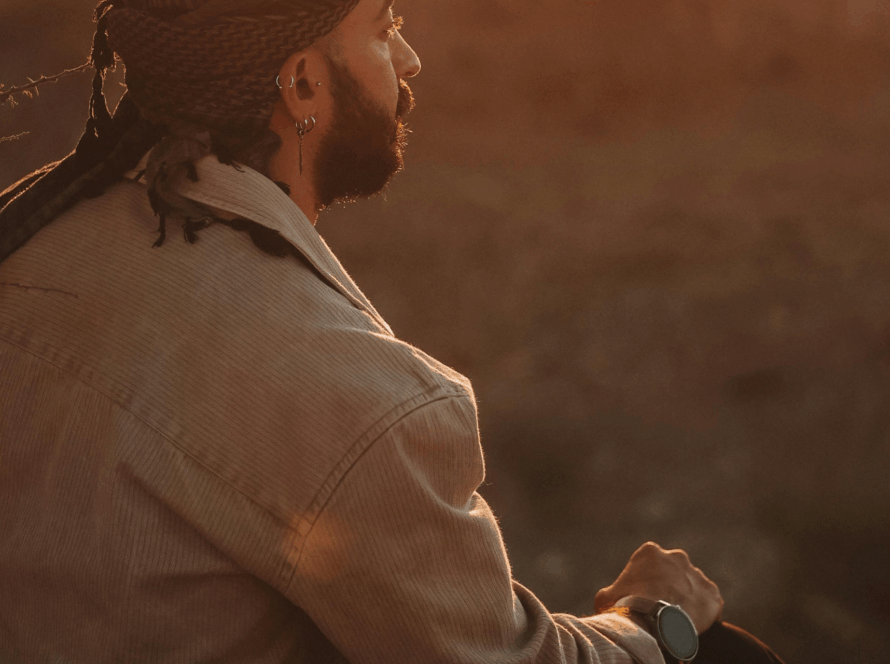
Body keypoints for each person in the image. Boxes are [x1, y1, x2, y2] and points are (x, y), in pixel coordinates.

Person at [0, 0, 787, 662]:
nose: (409, 60)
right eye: (383, 28)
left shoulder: (34, 238)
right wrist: (654, 621)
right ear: (302, 82)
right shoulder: (347, 394)